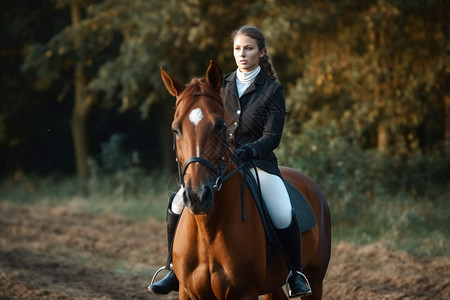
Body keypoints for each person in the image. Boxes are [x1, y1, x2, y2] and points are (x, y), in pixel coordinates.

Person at [148, 25, 312, 298]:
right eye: (237, 48)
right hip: (219, 163)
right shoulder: (218, 85)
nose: (242, 54)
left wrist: (251, 150)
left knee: (282, 211)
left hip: (258, 163)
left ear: (261, 52)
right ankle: (173, 269)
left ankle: (295, 273)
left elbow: (273, 136)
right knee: (177, 203)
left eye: (248, 48)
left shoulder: (272, 91)